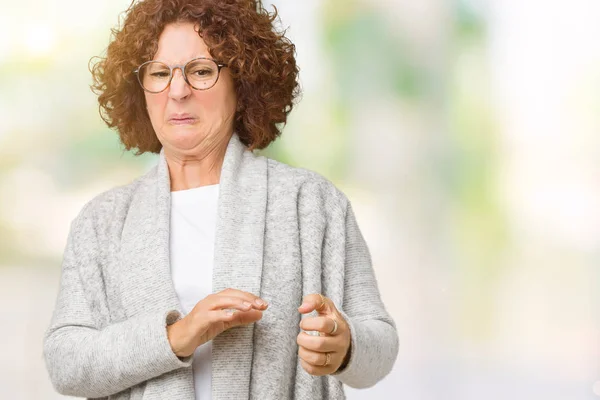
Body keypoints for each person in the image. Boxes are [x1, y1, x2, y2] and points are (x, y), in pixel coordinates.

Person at [42, 0, 399, 399]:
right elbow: (65, 362)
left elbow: (380, 343)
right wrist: (179, 335)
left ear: (243, 83)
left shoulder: (311, 204)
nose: (178, 91)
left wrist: (346, 345)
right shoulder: (102, 221)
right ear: (139, 89)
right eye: (160, 73)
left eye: (200, 71)